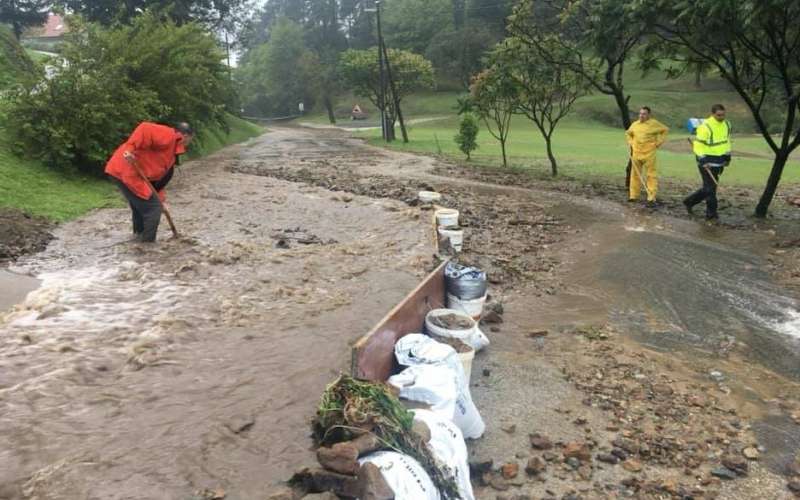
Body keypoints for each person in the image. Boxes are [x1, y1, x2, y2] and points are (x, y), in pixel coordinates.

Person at [105, 122, 194, 242]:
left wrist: (161, 200)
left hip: (129, 175)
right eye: (191, 139)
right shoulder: (168, 135)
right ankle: (148, 246)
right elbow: (144, 128)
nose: (189, 143)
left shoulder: (170, 155)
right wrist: (130, 149)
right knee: (153, 208)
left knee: (143, 208)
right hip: (126, 171)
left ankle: (138, 240)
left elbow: (158, 183)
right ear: (186, 136)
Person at [684, 104, 731, 220]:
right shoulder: (705, 127)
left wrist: (727, 157)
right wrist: (703, 160)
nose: (721, 117)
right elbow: (698, 146)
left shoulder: (727, 124)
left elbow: (726, 141)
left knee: (710, 187)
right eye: (719, 115)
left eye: (723, 115)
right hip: (706, 161)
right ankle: (711, 214)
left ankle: (689, 201)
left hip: (720, 161)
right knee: (710, 189)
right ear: (713, 114)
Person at [625, 106, 669, 207]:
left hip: (649, 153)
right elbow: (628, 133)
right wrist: (631, 143)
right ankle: (633, 196)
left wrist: (658, 143)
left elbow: (665, 130)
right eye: (640, 113)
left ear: (649, 115)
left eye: (644, 114)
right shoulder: (635, 124)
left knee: (651, 175)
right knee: (635, 174)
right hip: (636, 153)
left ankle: (651, 197)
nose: (641, 116)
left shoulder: (654, 124)